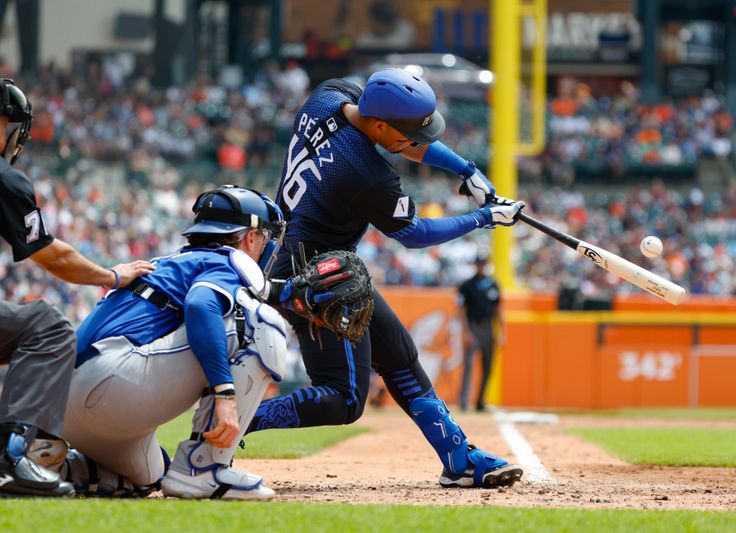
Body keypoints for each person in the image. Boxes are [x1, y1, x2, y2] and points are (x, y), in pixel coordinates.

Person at [248, 68, 526, 488]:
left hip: (321, 265)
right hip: (314, 281)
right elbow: (415, 234)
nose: (419, 142)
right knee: (343, 398)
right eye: (411, 134)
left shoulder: (329, 95)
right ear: (380, 125)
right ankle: (237, 418)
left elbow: (405, 143)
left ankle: (458, 458)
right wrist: (484, 217)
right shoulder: (366, 174)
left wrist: (465, 169)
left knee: (399, 354)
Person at [44, 186, 289, 500]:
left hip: (66, 408)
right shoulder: (228, 259)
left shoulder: (173, 262)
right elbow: (201, 305)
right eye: (265, 238)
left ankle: (54, 470)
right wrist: (224, 393)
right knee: (263, 324)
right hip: (109, 385)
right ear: (251, 237)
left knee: (151, 475)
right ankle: (205, 469)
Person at [0, 78, 155, 497]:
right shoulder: (5, 179)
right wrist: (113, 275)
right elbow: (50, 255)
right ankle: (11, 458)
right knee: (46, 326)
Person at [458, 253, 504, 412]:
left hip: (488, 327)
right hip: (473, 326)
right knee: (469, 365)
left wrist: (501, 332)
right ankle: (464, 402)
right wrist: (466, 331)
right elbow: (461, 310)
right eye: (479, 263)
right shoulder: (467, 285)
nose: (481, 266)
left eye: (483, 263)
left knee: (487, 366)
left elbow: (498, 310)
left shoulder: (493, 284)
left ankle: (480, 402)